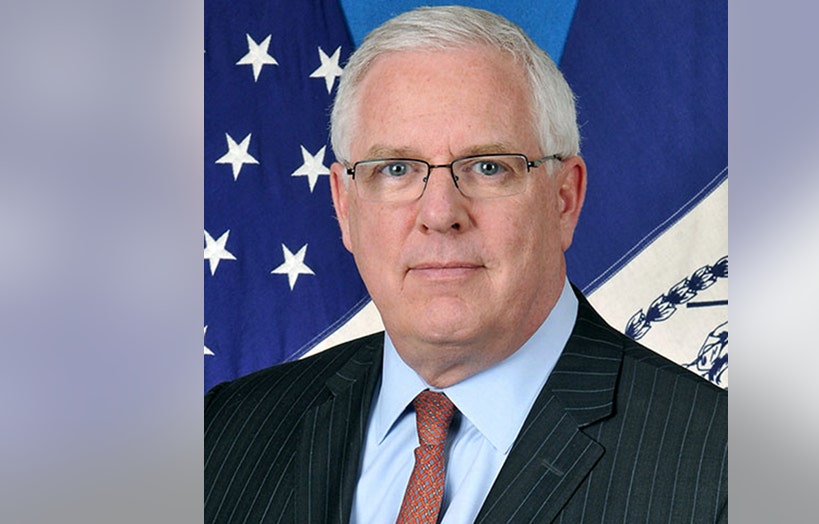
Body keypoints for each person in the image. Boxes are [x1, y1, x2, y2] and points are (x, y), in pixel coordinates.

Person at [204, 6, 727, 523]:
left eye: (488, 167)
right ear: (345, 206)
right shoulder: (228, 434)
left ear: (564, 198)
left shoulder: (721, 468)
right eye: (396, 169)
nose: (440, 214)